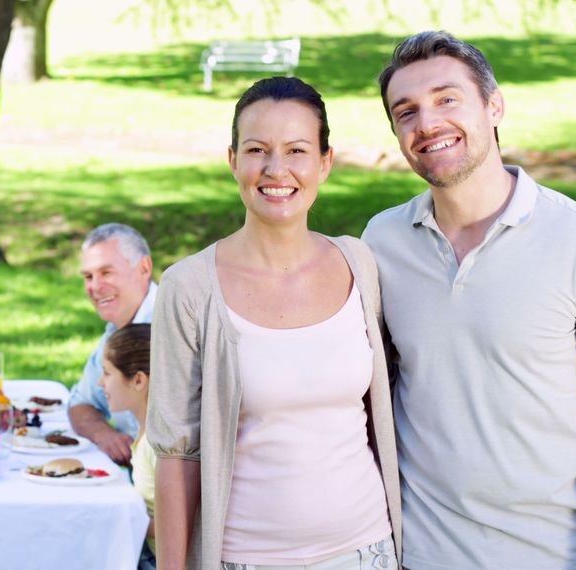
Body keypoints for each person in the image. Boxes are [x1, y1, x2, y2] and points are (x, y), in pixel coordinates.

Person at [362, 31, 576, 569]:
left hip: (552, 557)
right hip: (418, 555)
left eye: (447, 99)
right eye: (406, 111)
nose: (427, 123)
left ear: (494, 106)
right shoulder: (381, 242)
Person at [149, 76, 401, 570]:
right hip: (244, 558)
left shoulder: (360, 264)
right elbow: (177, 454)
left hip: (368, 550)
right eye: (257, 149)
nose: (275, 169)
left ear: (325, 162)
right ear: (233, 160)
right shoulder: (190, 288)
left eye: (297, 150)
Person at [68, 223, 156, 465]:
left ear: (144, 268)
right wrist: (104, 434)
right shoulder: (115, 330)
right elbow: (81, 402)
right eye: (88, 276)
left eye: (106, 273)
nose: (95, 287)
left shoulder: (172, 329)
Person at [97, 323, 156, 568]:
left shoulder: (157, 444)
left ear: (138, 380)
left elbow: (181, 525)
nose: (101, 383)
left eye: (108, 373)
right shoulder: (146, 434)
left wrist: (119, 514)